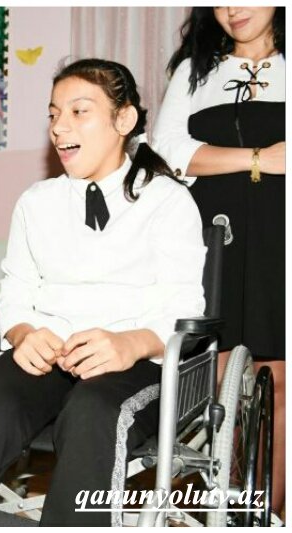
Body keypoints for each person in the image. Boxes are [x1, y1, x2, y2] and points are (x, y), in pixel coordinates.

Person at [0, 58, 205, 526]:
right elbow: (16, 292)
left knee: (92, 411)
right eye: (53, 114)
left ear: (124, 119)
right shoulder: (36, 202)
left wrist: (129, 344)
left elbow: (185, 307)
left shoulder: (167, 200)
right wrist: (22, 334)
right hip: (46, 353)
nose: (60, 127)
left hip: (133, 363)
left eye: (79, 112)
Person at [154, 7, 285, 511]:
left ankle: (269, 513)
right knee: (221, 379)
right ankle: (225, 510)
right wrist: (259, 159)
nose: (232, 9)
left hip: (281, 235)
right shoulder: (195, 69)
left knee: (280, 381)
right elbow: (167, 149)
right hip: (216, 236)